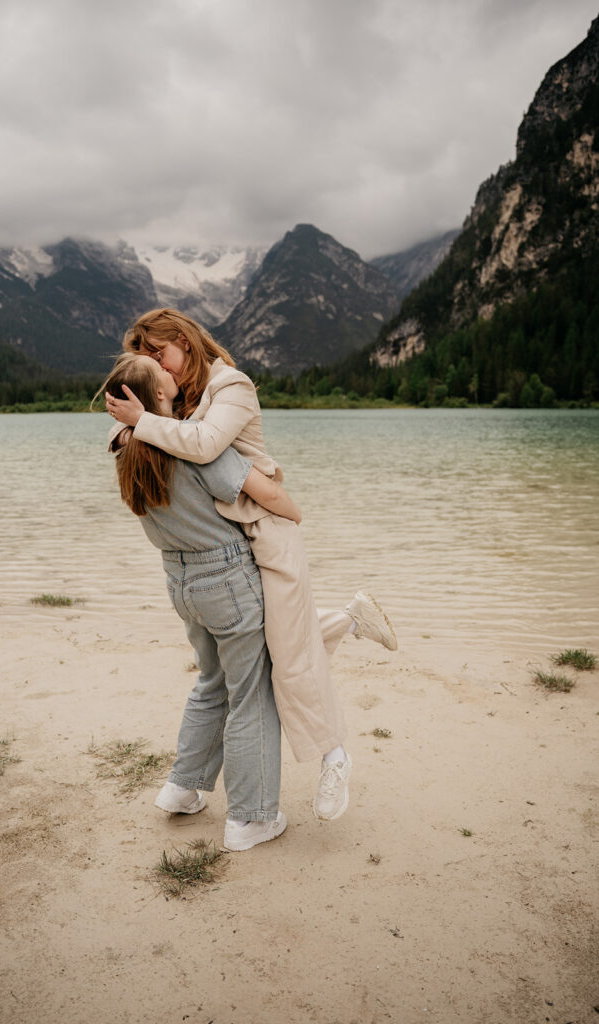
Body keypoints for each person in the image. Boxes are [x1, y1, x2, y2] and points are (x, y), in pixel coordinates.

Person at [106, 308, 397, 821]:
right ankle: (352, 619)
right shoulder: (176, 402)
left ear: (184, 341)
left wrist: (140, 423)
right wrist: (136, 422)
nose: (158, 366)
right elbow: (148, 436)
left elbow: (205, 446)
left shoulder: (230, 385)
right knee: (278, 646)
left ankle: (334, 757)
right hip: (228, 551)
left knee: (288, 655)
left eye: (159, 353)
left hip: (264, 531)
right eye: (147, 361)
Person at [99, 352, 302, 851]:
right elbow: (263, 493)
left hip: (180, 581)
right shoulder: (193, 444)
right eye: (161, 371)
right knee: (252, 693)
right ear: (159, 394)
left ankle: (182, 788)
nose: (171, 370)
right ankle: (250, 820)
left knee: (212, 683)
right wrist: (294, 512)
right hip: (227, 578)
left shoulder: (125, 449)